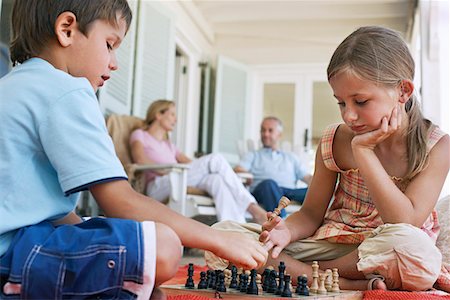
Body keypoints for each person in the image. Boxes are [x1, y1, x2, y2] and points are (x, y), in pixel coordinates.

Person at [0, 1, 268, 298]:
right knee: (164, 244)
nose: (115, 63)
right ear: (67, 30)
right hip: (13, 254)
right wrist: (217, 239)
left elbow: (55, 211)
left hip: (17, 244)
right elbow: (120, 201)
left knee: (131, 247)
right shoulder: (67, 90)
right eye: (110, 44)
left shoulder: (12, 85)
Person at [205, 26, 450, 292]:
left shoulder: (436, 145)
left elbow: (404, 222)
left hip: (385, 247)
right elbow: (310, 214)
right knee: (223, 234)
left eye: (361, 101)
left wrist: (364, 153)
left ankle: (307, 275)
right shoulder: (334, 139)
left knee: (416, 253)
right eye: (341, 103)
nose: (349, 116)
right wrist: (286, 231)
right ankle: (343, 281)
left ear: (403, 91)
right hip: (329, 245)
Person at [129, 100, 268, 225]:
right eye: (172, 114)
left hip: (177, 179)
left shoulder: (169, 145)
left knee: (216, 179)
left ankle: (235, 230)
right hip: (158, 186)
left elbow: (194, 164)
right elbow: (140, 160)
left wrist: (224, 172)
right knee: (215, 159)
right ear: (158, 114)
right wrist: (170, 170)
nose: (175, 119)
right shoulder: (140, 134)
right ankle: (253, 209)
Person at [234, 116, 312, 218]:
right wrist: (248, 176)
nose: (265, 134)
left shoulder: (291, 157)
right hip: (263, 192)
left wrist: (324, 185)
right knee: (269, 184)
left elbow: (308, 178)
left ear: (279, 134)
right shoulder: (253, 155)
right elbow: (239, 169)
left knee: (318, 192)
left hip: (288, 194)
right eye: (263, 130)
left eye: (270, 130)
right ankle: (280, 222)